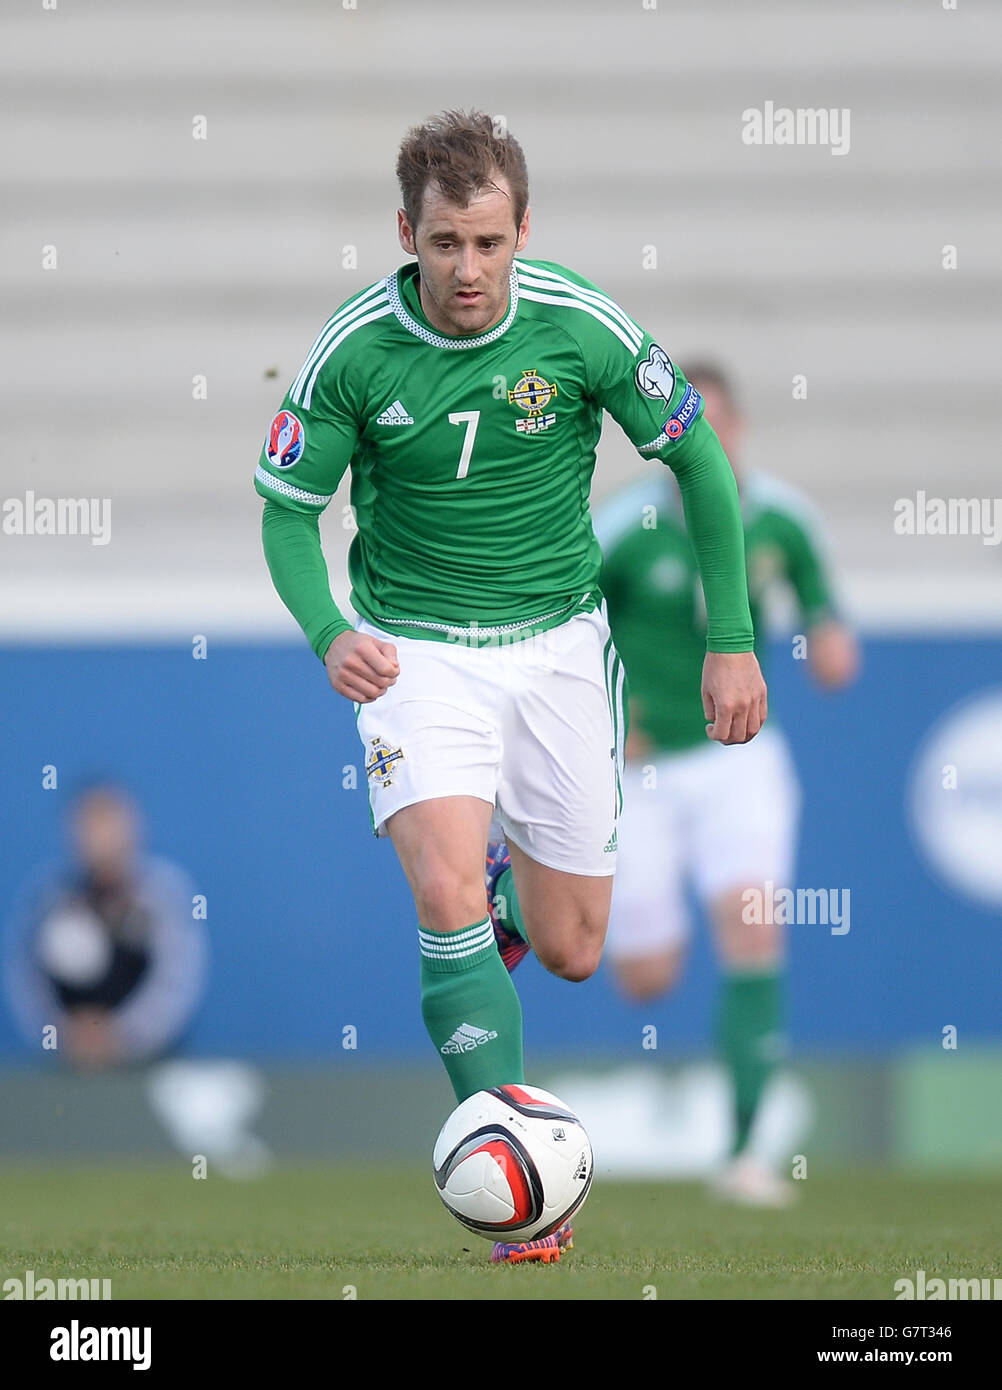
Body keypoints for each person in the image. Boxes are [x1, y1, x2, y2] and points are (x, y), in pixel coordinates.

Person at [256, 111, 765, 1261]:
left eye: (488, 243)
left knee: (578, 945)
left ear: (523, 230)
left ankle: (506, 896)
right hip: (413, 651)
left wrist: (729, 635)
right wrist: (328, 629)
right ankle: (521, 1196)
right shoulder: (354, 351)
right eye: (444, 244)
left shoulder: (581, 325)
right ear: (406, 233)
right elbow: (289, 513)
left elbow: (696, 457)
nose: (468, 270)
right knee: (439, 886)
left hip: (559, 650)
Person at [593, 363, 859, 1206]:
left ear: (737, 426)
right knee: (647, 974)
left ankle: (744, 1156)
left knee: (753, 928)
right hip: (642, 769)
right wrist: (606, 713)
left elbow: (823, 606)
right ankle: (525, 899)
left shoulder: (782, 516)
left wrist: (828, 640)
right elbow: (571, 623)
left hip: (741, 758)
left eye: (714, 422)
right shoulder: (626, 523)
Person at [3, 782, 206, 1069]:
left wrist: (121, 1036)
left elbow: (177, 982)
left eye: (108, 822)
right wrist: (63, 1035)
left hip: (149, 1066)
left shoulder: (163, 897)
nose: (100, 836)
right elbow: (26, 980)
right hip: (70, 1070)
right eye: (89, 824)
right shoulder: (50, 898)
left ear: (133, 826)